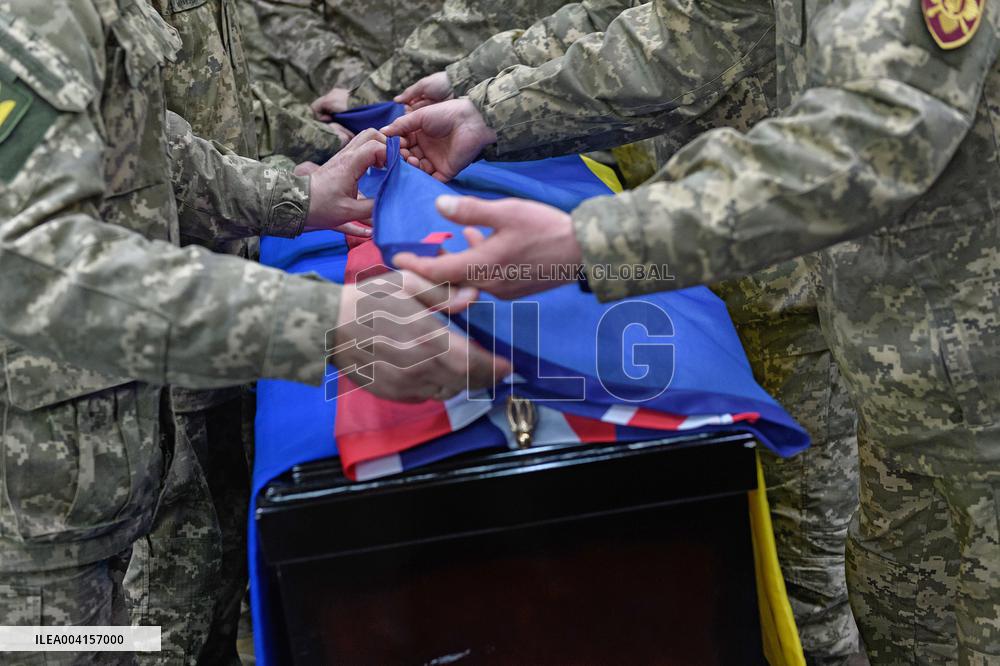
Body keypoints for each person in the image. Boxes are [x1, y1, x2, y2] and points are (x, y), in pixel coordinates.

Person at [383, 0, 1000, 660]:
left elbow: (875, 134)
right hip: (908, 387)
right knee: (895, 614)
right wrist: (491, 114)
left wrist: (594, 243)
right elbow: (694, 34)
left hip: (978, 390)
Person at [0, 3, 505, 664]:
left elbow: (141, 137)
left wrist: (291, 198)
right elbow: (30, 260)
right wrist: (320, 325)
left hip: (93, 470)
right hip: (29, 506)